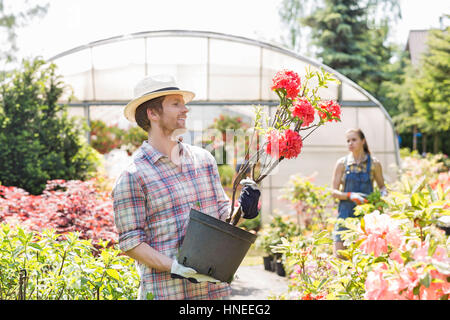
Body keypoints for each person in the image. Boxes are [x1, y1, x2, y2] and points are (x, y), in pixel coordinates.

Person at [111, 75, 260, 300]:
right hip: (168, 293)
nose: (185, 109)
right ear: (152, 114)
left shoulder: (204, 160)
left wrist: (244, 208)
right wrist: (175, 267)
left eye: (183, 103)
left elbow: (221, 216)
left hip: (213, 293)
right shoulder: (134, 175)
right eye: (175, 103)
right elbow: (131, 243)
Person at [331, 128, 387, 258]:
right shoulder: (342, 164)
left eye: (354, 140)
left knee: (364, 257)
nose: (350, 143)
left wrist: (382, 198)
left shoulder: (374, 164)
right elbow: (333, 192)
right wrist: (350, 195)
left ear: (363, 141)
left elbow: (382, 187)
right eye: (348, 141)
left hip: (366, 216)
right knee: (340, 257)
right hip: (345, 215)